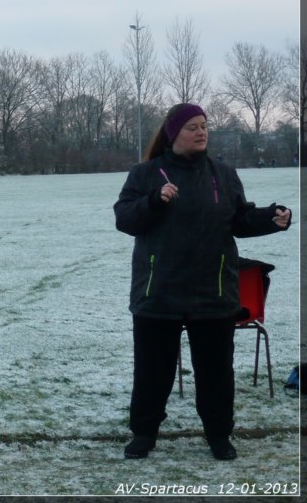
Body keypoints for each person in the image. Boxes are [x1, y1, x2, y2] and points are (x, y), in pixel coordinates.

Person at [114, 103, 291, 461]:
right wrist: (154, 201)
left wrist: (273, 218)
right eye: (192, 127)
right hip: (157, 292)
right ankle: (144, 434)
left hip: (213, 292)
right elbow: (125, 219)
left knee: (216, 373)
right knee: (152, 372)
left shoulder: (223, 174)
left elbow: (239, 220)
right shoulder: (146, 173)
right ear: (173, 133)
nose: (201, 132)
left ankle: (219, 435)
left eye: (204, 126)